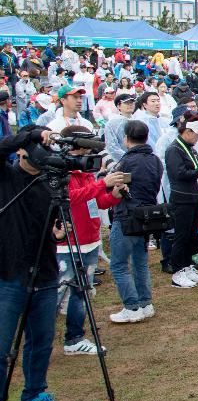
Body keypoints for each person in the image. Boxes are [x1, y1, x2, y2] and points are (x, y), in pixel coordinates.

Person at [0, 125, 73, 401]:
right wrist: (32, 134)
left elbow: (61, 217)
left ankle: (34, 395)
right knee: (2, 348)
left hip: (44, 270)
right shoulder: (6, 177)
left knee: (41, 340)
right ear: (21, 152)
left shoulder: (50, 182)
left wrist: (62, 228)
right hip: (9, 273)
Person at [54, 127, 128, 355]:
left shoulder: (86, 173)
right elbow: (71, 198)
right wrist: (101, 184)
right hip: (68, 243)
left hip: (90, 240)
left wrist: (114, 195)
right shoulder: (62, 172)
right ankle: (44, 338)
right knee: (56, 296)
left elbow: (97, 203)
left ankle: (74, 338)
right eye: (87, 148)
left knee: (81, 293)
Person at [107, 120, 163, 324]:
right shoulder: (155, 160)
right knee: (140, 263)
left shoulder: (126, 162)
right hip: (147, 216)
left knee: (119, 265)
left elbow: (113, 187)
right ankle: (146, 303)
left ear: (126, 139)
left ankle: (132, 306)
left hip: (126, 216)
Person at [163, 112, 198, 288]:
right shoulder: (174, 149)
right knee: (181, 236)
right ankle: (177, 271)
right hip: (182, 198)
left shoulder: (189, 148)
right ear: (187, 132)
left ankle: (188, 265)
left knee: (191, 235)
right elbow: (178, 174)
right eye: (196, 135)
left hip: (194, 196)